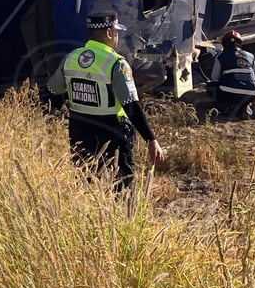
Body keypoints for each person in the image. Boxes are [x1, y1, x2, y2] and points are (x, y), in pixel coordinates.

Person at [47, 11, 166, 190]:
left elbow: (53, 90)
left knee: (85, 186)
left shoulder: (71, 58)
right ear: (109, 33)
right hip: (112, 133)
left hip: (79, 131)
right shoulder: (116, 63)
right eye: (116, 32)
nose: (117, 36)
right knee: (122, 189)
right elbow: (130, 105)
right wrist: (150, 139)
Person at [209, 29, 255, 119]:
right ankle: (245, 108)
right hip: (252, 93)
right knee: (243, 96)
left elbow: (214, 77)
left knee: (213, 85)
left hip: (229, 92)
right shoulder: (250, 55)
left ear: (224, 44)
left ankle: (226, 109)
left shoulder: (221, 56)